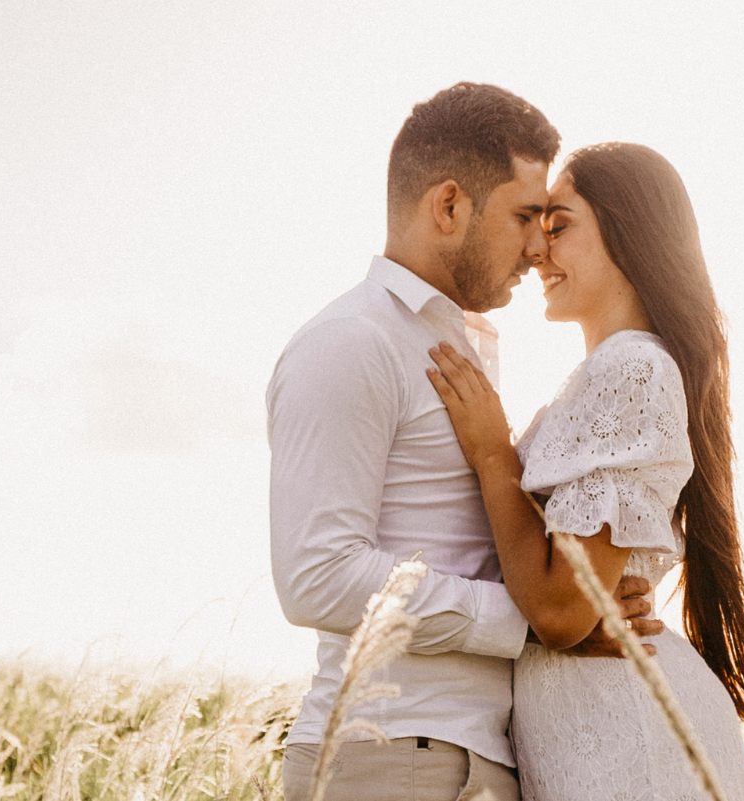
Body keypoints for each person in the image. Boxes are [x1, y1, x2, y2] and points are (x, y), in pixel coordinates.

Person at [267, 83, 662, 801]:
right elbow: (316, 575)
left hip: (458, 759)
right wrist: (538, 623)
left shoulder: (456, 347)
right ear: (449, 207)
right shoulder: (351, 343)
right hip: (397, 756)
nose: (537, 245)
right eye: (523, 217)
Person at [424, 142, 744, 801]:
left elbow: (559, 608)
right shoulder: (597, 379)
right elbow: (565, 600)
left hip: (625, 740)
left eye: (559, 226)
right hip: (604, 725)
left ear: (628, 232)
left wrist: (493, 453)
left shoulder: (633, 369)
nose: (537, 249)